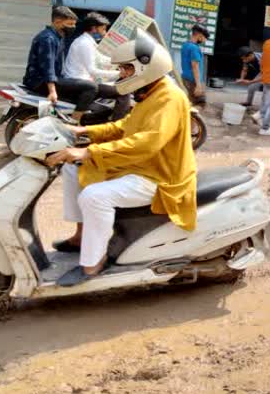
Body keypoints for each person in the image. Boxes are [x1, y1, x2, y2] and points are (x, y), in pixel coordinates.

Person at [47, 29, 197, 287]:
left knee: (94, 197)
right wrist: (84, 132)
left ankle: (94, 263)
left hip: (160, 175)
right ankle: (81, 236)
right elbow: (126, 126)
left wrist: (89, 151)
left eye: (126, 70)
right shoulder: (152, 92)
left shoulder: (170, 98)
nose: (121, 75)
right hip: (141, 165)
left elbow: (148, 142)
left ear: (143, 68)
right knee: (72, 170)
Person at [23, 6, 97, 121]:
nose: (73, 27)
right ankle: (74, 124)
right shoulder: (48, 38)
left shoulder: (57, 36)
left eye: (74, 24)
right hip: (39, 81)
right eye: (70, 24)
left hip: (48, 79)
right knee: (91, 87)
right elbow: (48, 66)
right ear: (57, 22)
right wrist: (52, 91)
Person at [63, 12, 131, 121]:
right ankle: (116, 128)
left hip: (84, 80)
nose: (105, 33)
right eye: (103, 29)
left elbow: (101, 59)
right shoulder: (84, 43)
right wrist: (119, 73)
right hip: (80, 83)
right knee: (123, 93)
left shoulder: (89, 42)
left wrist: (121, 63)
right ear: (94, 28)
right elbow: (92, 70)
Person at [181, 24, 210, 108]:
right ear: (199, 36)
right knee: (199, 105)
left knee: (190, 103)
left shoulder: (185, 45)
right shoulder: (194, 48)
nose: (204, 41)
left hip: (186, 78)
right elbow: (195, 67)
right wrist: (198, 85)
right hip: (193, 81)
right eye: (205, 38)